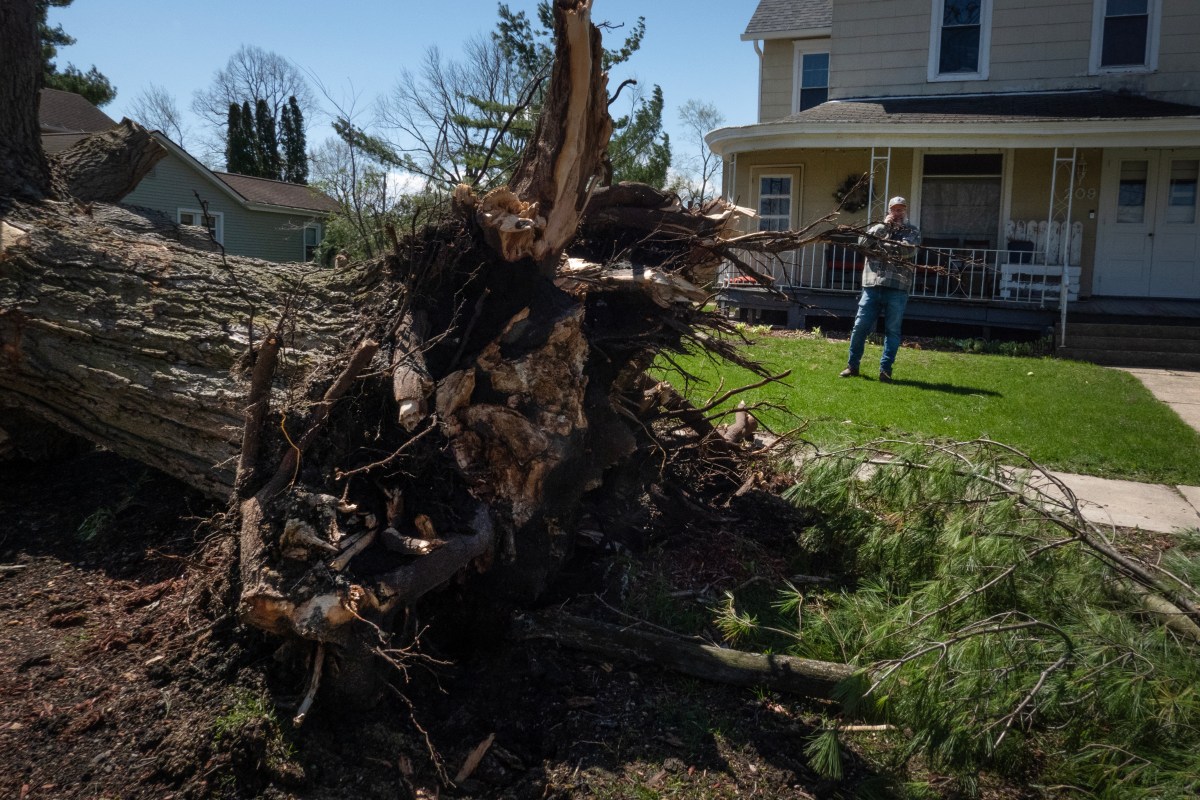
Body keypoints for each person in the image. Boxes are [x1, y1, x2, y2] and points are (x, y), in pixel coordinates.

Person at [839, 196, 921, 383]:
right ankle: (852, 366)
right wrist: (883, 228)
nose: (898, 213)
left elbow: (907, 251)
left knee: (892, 330)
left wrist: (880, 245)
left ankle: (885, 370)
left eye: (901, 209)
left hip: (897, 287)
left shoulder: (912, 231)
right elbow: (862, 244)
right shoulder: (877, 228)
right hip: (872, 285)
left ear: (906, 211)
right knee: (860, 327)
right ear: (889, 210)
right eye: (895, 209)